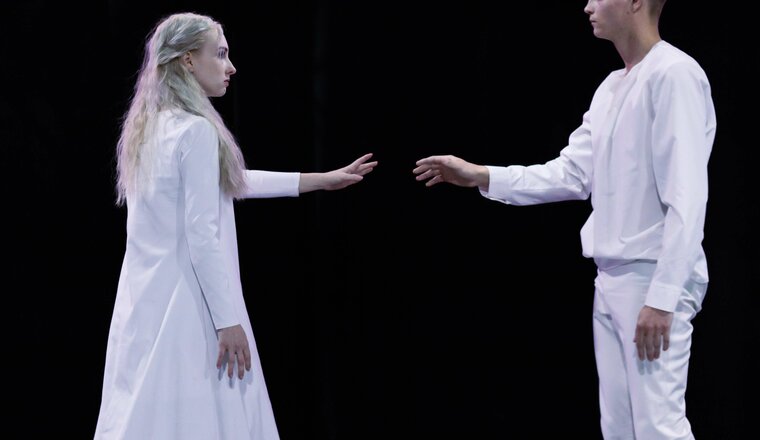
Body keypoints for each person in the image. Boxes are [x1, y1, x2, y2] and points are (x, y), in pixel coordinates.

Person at [413, 0, 715, 438]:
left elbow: (687, 197)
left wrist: (663, 296)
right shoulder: (611, 87)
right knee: (619, 429)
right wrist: (482, 175)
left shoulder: (675, 74)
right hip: (611, 277)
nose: (588, 5)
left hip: (651, 275)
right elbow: (571, 173)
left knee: (658, 428)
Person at [94, 12, 377, 440]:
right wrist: (227, 321)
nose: (231, 67)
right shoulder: (195, 131)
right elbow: (202, 234)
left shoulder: (148, 130)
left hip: (144, 303)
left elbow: (227, 182)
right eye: (221, 54)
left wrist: (318, 180)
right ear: (188, 60)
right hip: (191, 305)